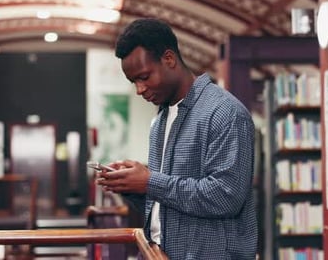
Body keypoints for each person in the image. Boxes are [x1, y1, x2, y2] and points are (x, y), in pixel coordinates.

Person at [97, 18, 257, 259]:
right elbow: (168, 205)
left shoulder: (225, 113)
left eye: (144, 76)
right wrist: (132, 186)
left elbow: (226, 197)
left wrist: (150, 182)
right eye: (134, 82)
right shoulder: (160, 121)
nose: (140, 89)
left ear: (169, 59)